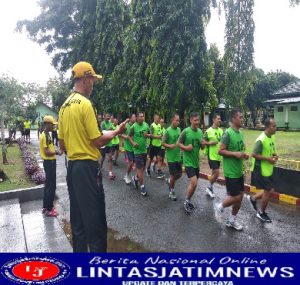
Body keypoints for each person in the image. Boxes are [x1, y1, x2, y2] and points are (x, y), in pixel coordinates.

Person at [58, 61, 127, 252]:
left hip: (72, 168)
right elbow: (97, 140)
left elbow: (62, 144)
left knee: (78, 222)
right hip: (88, 168)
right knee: (96, 223)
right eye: (92, 80)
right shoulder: (86, 104)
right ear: (85, 79)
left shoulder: (64, 106)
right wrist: (116, 131)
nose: (93, 85)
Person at [215, 108, 249, 231]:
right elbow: (220, 150)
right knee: (236, 197)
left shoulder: (240, 133)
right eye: (240, 117)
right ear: (234, 119)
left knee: (240, 197)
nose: (242, 119)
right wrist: (235, 154)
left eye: (242, 117)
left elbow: (239, 150)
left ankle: (231, 220)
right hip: (231, 172)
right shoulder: (227, 133)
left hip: (239, 171)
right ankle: (219, 206)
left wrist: (243, 155)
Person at [248, 118, 278, 222]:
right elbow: (254, 154)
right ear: (268, 127)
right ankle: (261, 213)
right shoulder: (261, 140)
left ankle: (253, 198)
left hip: (268, 168)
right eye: (274, 126)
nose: (276, 128)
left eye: (275, 125)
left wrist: (274, 156)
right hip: (260, 169)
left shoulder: (272, 137)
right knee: (268, 190)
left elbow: (271, 150)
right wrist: (268, 159)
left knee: (271, 190)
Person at [178, 112, 205, 213]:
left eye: (198, 120)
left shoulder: (200, 132)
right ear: (190, 120)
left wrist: (203, 145)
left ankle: (189, 200)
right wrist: (186, 148)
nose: (197, 122)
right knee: (193, 182)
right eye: (195, 120)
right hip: (188, 161)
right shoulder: (186, 131)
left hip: (196, 162)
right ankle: (186, 201)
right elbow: (178, 143)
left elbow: (201, 147)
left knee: (195, 184)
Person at [40, 116, 62, 217]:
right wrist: (57, 152)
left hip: (49, 162)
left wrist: (55, 149)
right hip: (49, 162)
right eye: (52, 124)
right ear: (47, 124)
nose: (53, 126)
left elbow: (49, 148)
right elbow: (47, 152)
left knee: (48, 185)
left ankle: (45, 206)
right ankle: (49, 208)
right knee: (51, 186)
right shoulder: (44, 135)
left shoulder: (46, 134)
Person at [128, 112, 151, 196]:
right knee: (140, 169)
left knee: (141, 170)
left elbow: (150, 134)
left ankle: (135, 178)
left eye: (143, 116)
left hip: (144, 151)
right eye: (140, 117)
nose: (142, 118)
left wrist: (147, 135)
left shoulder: (146, 125)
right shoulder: (133, 127)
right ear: (137, 118)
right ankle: (142, 186)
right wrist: (133, 143)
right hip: (137, 152)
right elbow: (129, 136)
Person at [162, 114, 182, 201]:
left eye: (178, 121)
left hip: (178, 156)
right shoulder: (168, 131)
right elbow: (162, 143)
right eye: (176, 120)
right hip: (171, 158)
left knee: (180, 174)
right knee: (173, 175)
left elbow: (180, 141)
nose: (178, 122)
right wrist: (169, 146)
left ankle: (170, 181)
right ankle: (171, 192)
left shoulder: (179, 130)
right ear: (172, 120)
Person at [203, 113, 223, 198]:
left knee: (214, 173)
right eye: (218, 119)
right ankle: (208, 186)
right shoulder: (208, 131)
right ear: (213, 120)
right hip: (211, 155)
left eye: (220, 119)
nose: (220, 120)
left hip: (218, 155)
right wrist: (210, 143)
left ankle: (210, 188)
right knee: (217, 173)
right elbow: (202, 142)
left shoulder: (221, 131)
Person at [146, 114, 164, 178]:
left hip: (159, 145)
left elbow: (161, 134)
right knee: (150, 159)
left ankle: (159, 171)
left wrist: (161, 137)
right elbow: (151, 135)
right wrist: (158, 137)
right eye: (157, 118)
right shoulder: (152, 126)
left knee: (159, 159)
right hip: (153, 145)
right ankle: (148, 169)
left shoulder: (159, 125)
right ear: (154, 118)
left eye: (158, 118)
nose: (158, 119)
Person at [121, 114, 136, 184]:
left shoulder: (136, 125)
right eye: (133, 117)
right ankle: (126, 176)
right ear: (130, 118)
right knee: (131, 162)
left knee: (136, 163)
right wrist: (126, 137)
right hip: (128, 147)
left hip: (135, 147)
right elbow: (120, 134)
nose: (135, 118)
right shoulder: (126, 126)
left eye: (135, 117)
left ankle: (136, 177)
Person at [100, 113, 115, 179]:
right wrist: (109, 129)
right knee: (103, 157)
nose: (108, 117)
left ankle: (110, 172)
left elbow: (112, 132)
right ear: (104, 117)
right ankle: (100, 168)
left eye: (109, 116)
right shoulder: (102, 124)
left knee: (110, 158)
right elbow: (102, 133)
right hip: (104, 144)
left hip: (110, 144)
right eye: (107, 116)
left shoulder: (110, 123)